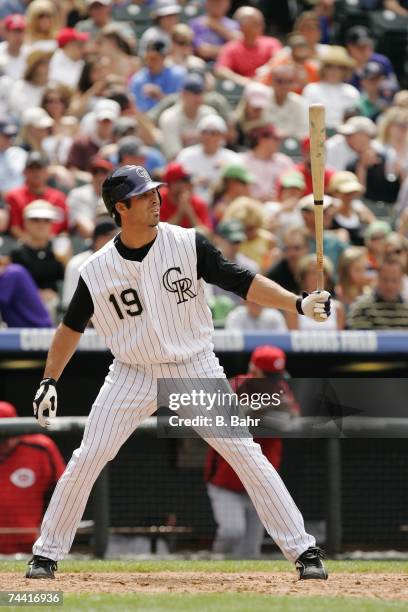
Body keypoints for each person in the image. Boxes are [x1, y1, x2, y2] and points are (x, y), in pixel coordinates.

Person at [26, 164, 330, 580]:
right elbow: (70, 328)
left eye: (155, 191)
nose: (155, 199)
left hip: (193, 364)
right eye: (143, 195)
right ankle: (46, 554)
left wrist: (297, 303)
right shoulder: (96, 269)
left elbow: (241, 281)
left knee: (244, 452)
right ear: (120, 207)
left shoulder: (186, 242)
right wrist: (49, 379)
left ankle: (303, 551)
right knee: (87, 457)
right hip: (131, 372)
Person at [205, 345, 298, 558]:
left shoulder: (281, 387)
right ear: (254, 370)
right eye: (268, 376)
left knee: (250, 550)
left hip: (260, 482)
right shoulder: (236, 385)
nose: (274, 381)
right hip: (227, 480)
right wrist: (262, 408)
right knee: (232, 532)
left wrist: (268, 415)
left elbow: (292, 421)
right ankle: (213, 570)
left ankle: (243, 588)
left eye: (276, 376)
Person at [0, 401, 65, 554]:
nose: (6, 441)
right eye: (1, 437)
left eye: (10, 434)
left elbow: (63, 494)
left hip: (31, 548)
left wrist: (49, 531)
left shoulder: (41, 448)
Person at [10, 200, 67, 317]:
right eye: (35, 219)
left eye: (46, 220)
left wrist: (67, 260)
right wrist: (37, 294)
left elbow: (68, 282)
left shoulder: (60, 249)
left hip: (60, 308)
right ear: (25, 222)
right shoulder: (17, 252)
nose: (41, 225)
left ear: (52, 224)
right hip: (26, 307)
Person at [176, 114, 240, 203]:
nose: (208, 137)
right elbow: (177, 184)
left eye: (213, 133)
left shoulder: (233, 159)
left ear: (222, 136)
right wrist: (194, 182)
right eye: (204, 132)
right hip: (190, 203)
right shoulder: (186, 155)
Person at [5, 152, 68, 241]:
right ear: (24, 172)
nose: (35, 172)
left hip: (54, 248)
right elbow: (14, 228)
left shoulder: (59, 198)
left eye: (39, 168)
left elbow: (64, 229)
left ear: (47, 172)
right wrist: (35, 246)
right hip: (25, 248)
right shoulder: (14, 196)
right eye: (31, 169)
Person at [215, 6, 282, 87]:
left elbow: (280, 60)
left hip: (269, 87)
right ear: (242, 26)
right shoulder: (231, 47)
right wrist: (243, 81)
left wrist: (265, 72)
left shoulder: (272, 43)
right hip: (243, 90)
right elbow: (220, 70)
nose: (261, 26)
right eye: (255, 23)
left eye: (261, 23)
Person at [62, 217, 117, 310]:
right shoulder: (77, 263)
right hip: (81, 317)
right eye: (107, 236)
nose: (111, 240)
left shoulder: (120, 260)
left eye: (114, 236)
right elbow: (69, 301)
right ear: (96, 239)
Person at [158, 73, 216, 160]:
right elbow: (174, 156)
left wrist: (194, 137)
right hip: (180, 169)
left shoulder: (210, 114)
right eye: (194, 93)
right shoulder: (170, 117)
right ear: (183, 94)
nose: (198, 98)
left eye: (201, 93)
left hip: (209, 164)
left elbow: (217, 147)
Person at [302, 46, 359, 131]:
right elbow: (305, 118)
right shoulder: (311, 89)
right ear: (323, 68)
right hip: (315, 135)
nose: (334, 71)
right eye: (330, 66)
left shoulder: (351, 92)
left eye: (340, 67)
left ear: (346, 70)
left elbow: (354, 122)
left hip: (344, 136)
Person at [285, 254, 345, 330]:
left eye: (322, 273)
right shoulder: (294, 307)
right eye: (312, 273)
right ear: (303, 277)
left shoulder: (337, 308)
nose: (317, 277)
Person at [128, 37, 186, 113]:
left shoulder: (178, 75)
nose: (149, 63)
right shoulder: (138, 79)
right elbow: (138, 111)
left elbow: (183, 106)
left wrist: (160, 97)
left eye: (153, 59)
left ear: (164, 57)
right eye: (147, 59)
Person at [239, 123, 294, 202]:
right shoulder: (241, 160)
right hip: (249, 204)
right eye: (275, 139)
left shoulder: (284, 161)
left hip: (278, 206)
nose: (279, 142)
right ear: (262, 140)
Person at [347, 258, 408, 329]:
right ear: (377, 278)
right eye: (385, 279)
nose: (389, 285)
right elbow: (360, 337)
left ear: (401, 281)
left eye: (394, 280)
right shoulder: (362, 308)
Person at [67, 156, 113, 238]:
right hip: (87, 243)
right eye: (95, 172)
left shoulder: (117, 194)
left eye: (104, 172)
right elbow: (84, 228)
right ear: (91, 175)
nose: (100, 177)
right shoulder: (78, 194)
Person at [159, 162, 211, 233]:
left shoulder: (198, 203)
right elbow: (159, 234)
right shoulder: (157, 200)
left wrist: (189, 211)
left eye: (189, 181)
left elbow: (207, 235)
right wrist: (180, 213)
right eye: (184, 181)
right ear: (172, 183)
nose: (189, 184)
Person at [328, 171, 375, 246]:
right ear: (335, 193)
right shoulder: (328, 209)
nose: (350, 196)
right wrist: (336, 233)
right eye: (346, 193)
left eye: (353, 192)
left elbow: (375, 225)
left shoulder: (359, 208)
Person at [267, 226, 309, 295]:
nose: (291, 253)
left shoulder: (315, 271)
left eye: (297, 248)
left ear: (307, 248)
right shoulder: (276, 274)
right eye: (287, 248)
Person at [0, 13, 27, 80]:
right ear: (6, 32)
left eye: (21, 31)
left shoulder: (30, 55)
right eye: (15, 31)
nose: (18, 36)